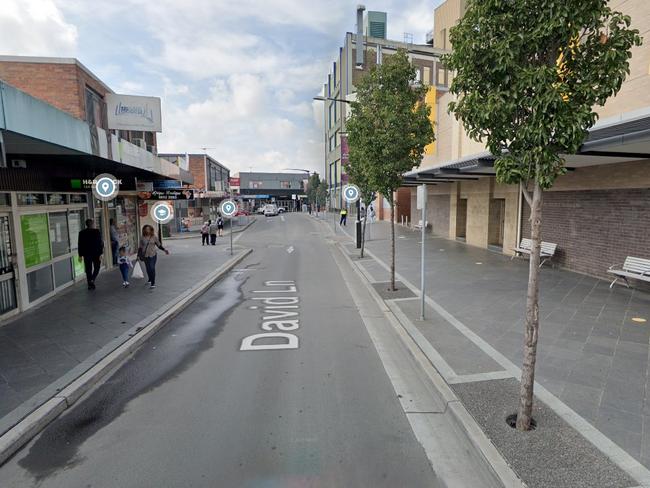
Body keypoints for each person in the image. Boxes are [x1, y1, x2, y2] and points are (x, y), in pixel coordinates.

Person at [138, 224, 169, 290]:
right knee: (148, 269)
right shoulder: (142, 237)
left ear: (151, 230)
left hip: (153, 255)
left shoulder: (154, 237)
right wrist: (138, 256)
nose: (147, 230)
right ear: (144, 230)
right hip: (145, 256)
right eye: (146, 229)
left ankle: (153, 283)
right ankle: (149, 279)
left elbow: (159, 245)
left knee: (152, 268)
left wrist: (164, 250)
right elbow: (140, 248)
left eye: (148, 229)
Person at [78, 219, 104, 290]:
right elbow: (100, 243)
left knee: (88, 269)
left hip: (86, 254)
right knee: (97, 267)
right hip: (96, 253)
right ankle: (92, 280)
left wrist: (80, 255)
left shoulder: (81, 233)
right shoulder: (96, 232)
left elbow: (80, 245)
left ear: (86, 224)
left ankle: (90, 284)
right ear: (92, 224)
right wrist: (101, 253)